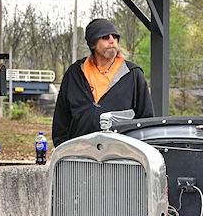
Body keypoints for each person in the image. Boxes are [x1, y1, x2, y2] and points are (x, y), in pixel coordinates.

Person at [52, 18, 154, 147]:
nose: (112, 40)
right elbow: (61, 120)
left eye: (115, 37)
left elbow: (146, 120)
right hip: (79, 152)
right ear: (93, 43)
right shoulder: (75, 73)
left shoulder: (133, 74)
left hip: (120, 153)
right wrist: (63, 149)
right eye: (105, 37)